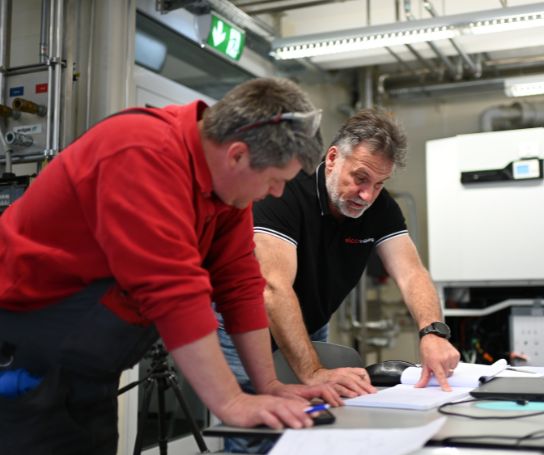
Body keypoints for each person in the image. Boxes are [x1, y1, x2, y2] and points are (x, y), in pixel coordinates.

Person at [0, 78, 343, 455]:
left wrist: (269, 386)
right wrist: (231, 402)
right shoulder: (141, 152)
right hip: (21, 353)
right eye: (276, 180)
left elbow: (240, 285)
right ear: (237, 155)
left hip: (88, 367)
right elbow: (174, 290)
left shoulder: (227, 195)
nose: (276, 193)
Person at [218, 107, 460, 450]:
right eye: (360, 178)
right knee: (258, 431)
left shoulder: (380, 208)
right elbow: (272, 288)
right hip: (247, 323)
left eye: (379, 184)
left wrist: (432, 331)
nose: (367, 195)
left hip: (308, 323)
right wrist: (313, 372)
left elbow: (411, 272)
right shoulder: (286, 191)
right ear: (332, 159)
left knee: (315, 425)